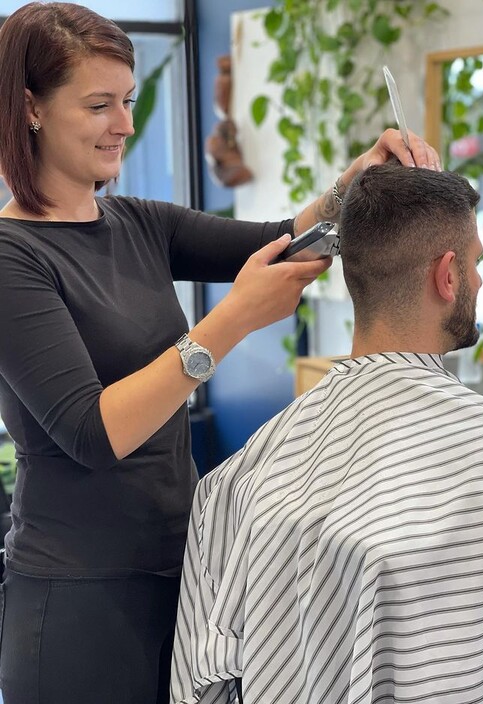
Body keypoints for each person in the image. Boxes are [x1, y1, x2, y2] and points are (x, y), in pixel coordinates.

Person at [0, 3, 441, 703]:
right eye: (98, 105)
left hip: (179, 571)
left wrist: (355, 183)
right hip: (78, 597)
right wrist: (230, 322)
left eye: (130, 101)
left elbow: (274, 238)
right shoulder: (11, 257)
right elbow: (91, 431)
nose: (124, 124)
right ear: (29, 107)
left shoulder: (136, 222)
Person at [171, 162, 483, 704]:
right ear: (446, 275)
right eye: (475, 263)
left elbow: (202, 678)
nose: (478, 280)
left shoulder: (239, 477)